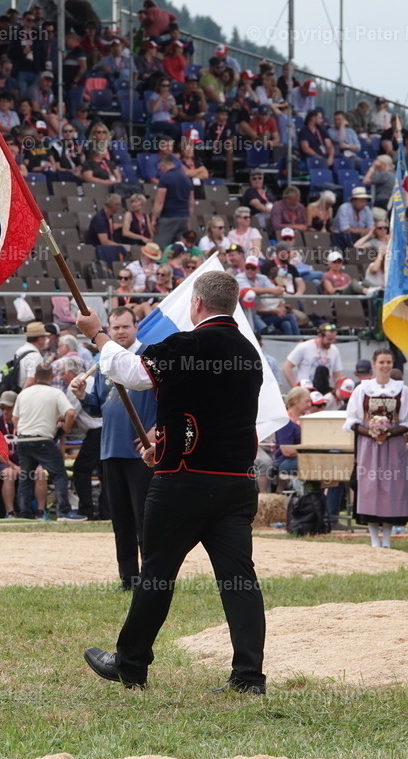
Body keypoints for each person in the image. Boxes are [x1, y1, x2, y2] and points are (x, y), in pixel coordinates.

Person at [77, 271, 266, 694]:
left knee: (157, 575)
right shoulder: (249, 354)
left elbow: (133, 372)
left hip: (183, 483)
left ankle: (131, 663)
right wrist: (162, 444)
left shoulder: (188, 343)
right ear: (232, 304)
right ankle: (249, 677)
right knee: (239, 580)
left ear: (196, 303)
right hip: (235, 482)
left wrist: (98, 336)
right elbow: (215, 416)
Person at [72, 307, 156, 586]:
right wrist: (83, 395)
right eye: (115, 327)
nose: (120, 332)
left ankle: (152, 577)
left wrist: (158, 429)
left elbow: (169, 399)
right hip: (110, 449)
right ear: (108, 328)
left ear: (136, 328)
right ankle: (128, 578)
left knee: (145, 517)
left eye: (125, 326)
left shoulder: (148, 357)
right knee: (120, 518)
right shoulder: (102, 359)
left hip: (142, 452)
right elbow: (97, 408)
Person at [343, 349, 408, 548]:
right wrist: (372, 432)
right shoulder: (362, 389)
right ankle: (374, 538)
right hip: (368, 446)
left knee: (392, 488)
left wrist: (389, 433)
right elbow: (353, 419)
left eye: (388, 362)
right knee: (370, 488)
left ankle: (387, 537)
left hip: (393, 445)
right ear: (374, 364)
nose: (385, 366)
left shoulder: (402, 389)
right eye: (381, 362)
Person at [13, 362, 76, 520]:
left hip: (23, 439)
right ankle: (64, 511)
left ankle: (25, 513)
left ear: (35, 376)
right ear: (52, 376)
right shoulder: (56, 393)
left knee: (26, 476)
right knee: (59, 475)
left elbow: (15, 419)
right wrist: (65, 429)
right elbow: (70, 413)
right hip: (43, 439)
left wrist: (22, 431)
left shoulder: (24, 393)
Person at [283, 323, 343, 390]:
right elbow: (287, 367)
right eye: (329, 339)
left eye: (333, 339)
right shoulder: (304, 347)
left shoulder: (334, 350)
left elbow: (337, 374)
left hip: (323, 389)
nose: (332, 342)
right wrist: (295, 387)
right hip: (305, 389)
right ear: (320, 336)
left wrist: (338, 390)